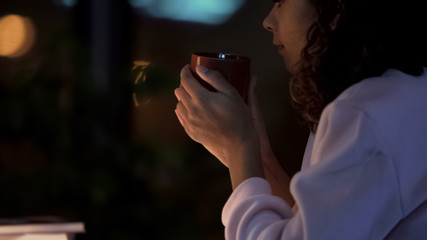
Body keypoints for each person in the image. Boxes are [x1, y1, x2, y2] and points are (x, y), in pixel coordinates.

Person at [174, 0, 427, 238]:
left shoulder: (362, 116)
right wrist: (257, 153)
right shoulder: (400, 92)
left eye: (282, 1)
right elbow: (308, 226)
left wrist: (239, 147)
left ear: (334, 11)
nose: (268, 21)